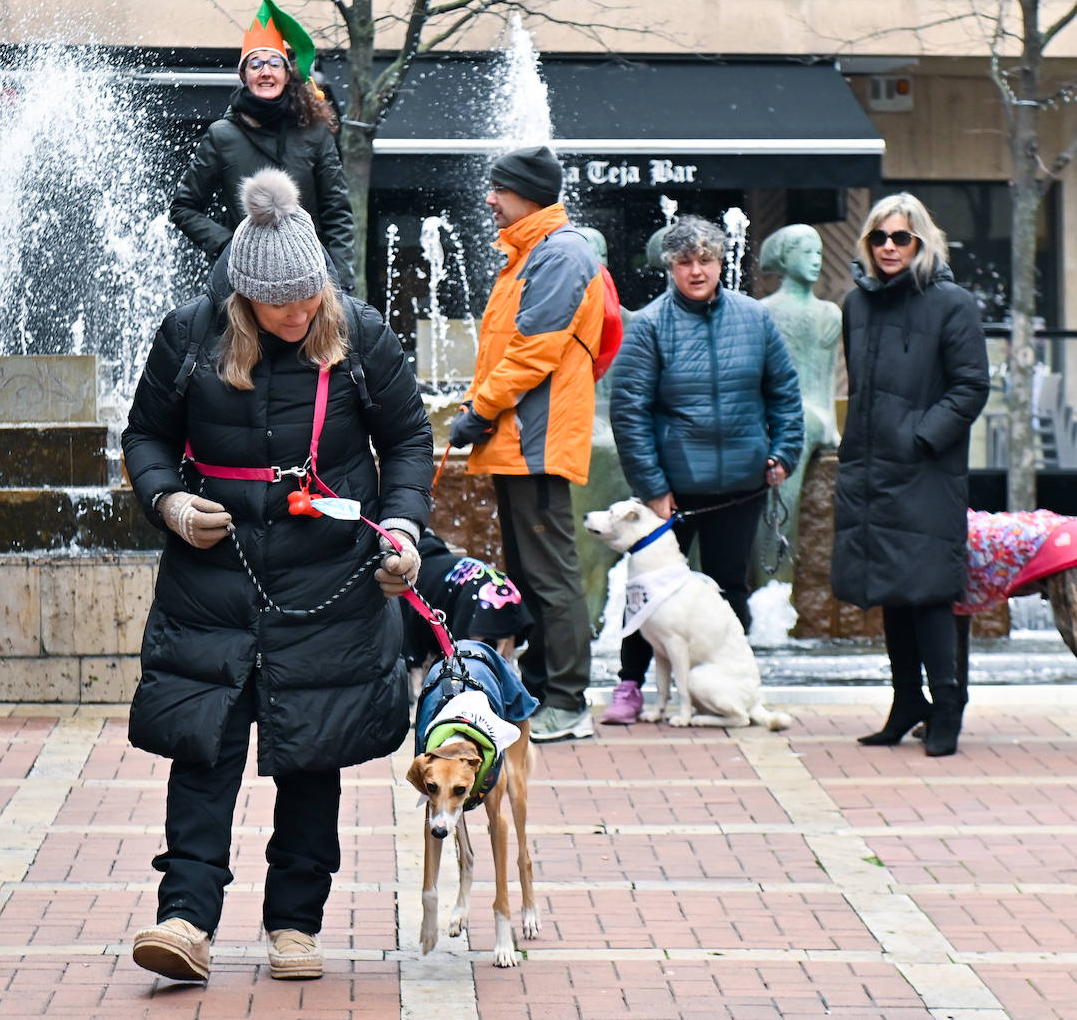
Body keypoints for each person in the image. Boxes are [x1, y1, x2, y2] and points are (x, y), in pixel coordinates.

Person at [124, 168, 432, 983]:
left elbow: (407, 443)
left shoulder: (359, 333)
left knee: (310, 755)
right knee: (203, 751)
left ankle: (295, 926)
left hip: (327, 580)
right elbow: (145, 439)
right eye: (282, 305)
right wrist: (169, 505)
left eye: (310, 300)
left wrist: (401, 529)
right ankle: (184, 919)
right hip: (211, 578)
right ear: (244, 300)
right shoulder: (190, 335)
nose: (300, 315)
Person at [607, 215, 803, 725]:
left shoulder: (755, 319)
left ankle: (731, 682)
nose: (697, 270)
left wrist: (783, 453)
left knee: (728, 588)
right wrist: (652, 487)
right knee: (646, 594)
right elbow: (629, 412)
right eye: (685, 261)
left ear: (720, 262)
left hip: (741, 485)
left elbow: (784, 393)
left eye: (706, 259)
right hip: (669, 490)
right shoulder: (650, 325)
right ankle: (629, 686)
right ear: (670, 266)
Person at [448, 144, 606, 743]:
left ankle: (567, 699)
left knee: (552, 574)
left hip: (535, 441)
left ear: (529, 194)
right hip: (521, 438)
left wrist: (480, 409)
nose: (490, 198)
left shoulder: (560, 254)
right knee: (531, 572)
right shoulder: (530, 253)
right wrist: (480, 411)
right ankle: (543, 690)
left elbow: (532, 351)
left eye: (500, 188)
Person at [832, 192, 988, 757]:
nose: (890, 247)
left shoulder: (953, 303)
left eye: (901, 238)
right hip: (872, 469)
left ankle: (946, 705)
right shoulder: (858, 303)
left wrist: (922, 436)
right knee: (890, 591)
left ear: (922, 242)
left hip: (926, 470)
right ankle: (906, 700)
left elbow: (972, 385)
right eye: (879, 237)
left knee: (929, 593)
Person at [170, 0, 357, 291]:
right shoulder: (221, 135)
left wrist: (341, 285)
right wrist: (229, 246)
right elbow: (184, 207)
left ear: (286, 73)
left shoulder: (316, 132)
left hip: (310, 278)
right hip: (244, 281)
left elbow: (338, 214)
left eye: (273, 63)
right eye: (255, 64)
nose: (265, 71)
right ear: (244, 76)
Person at [757, 224, 844, 576]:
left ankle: (775, 578)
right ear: (784, 257)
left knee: (803, 425)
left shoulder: (830, 313)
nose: (816, 260)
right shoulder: (764, 311)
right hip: (779, 416)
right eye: (806, 252)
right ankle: (772, 574)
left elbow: (823, 378)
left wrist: (831, 428)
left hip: (813, 416)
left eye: (820, 253)